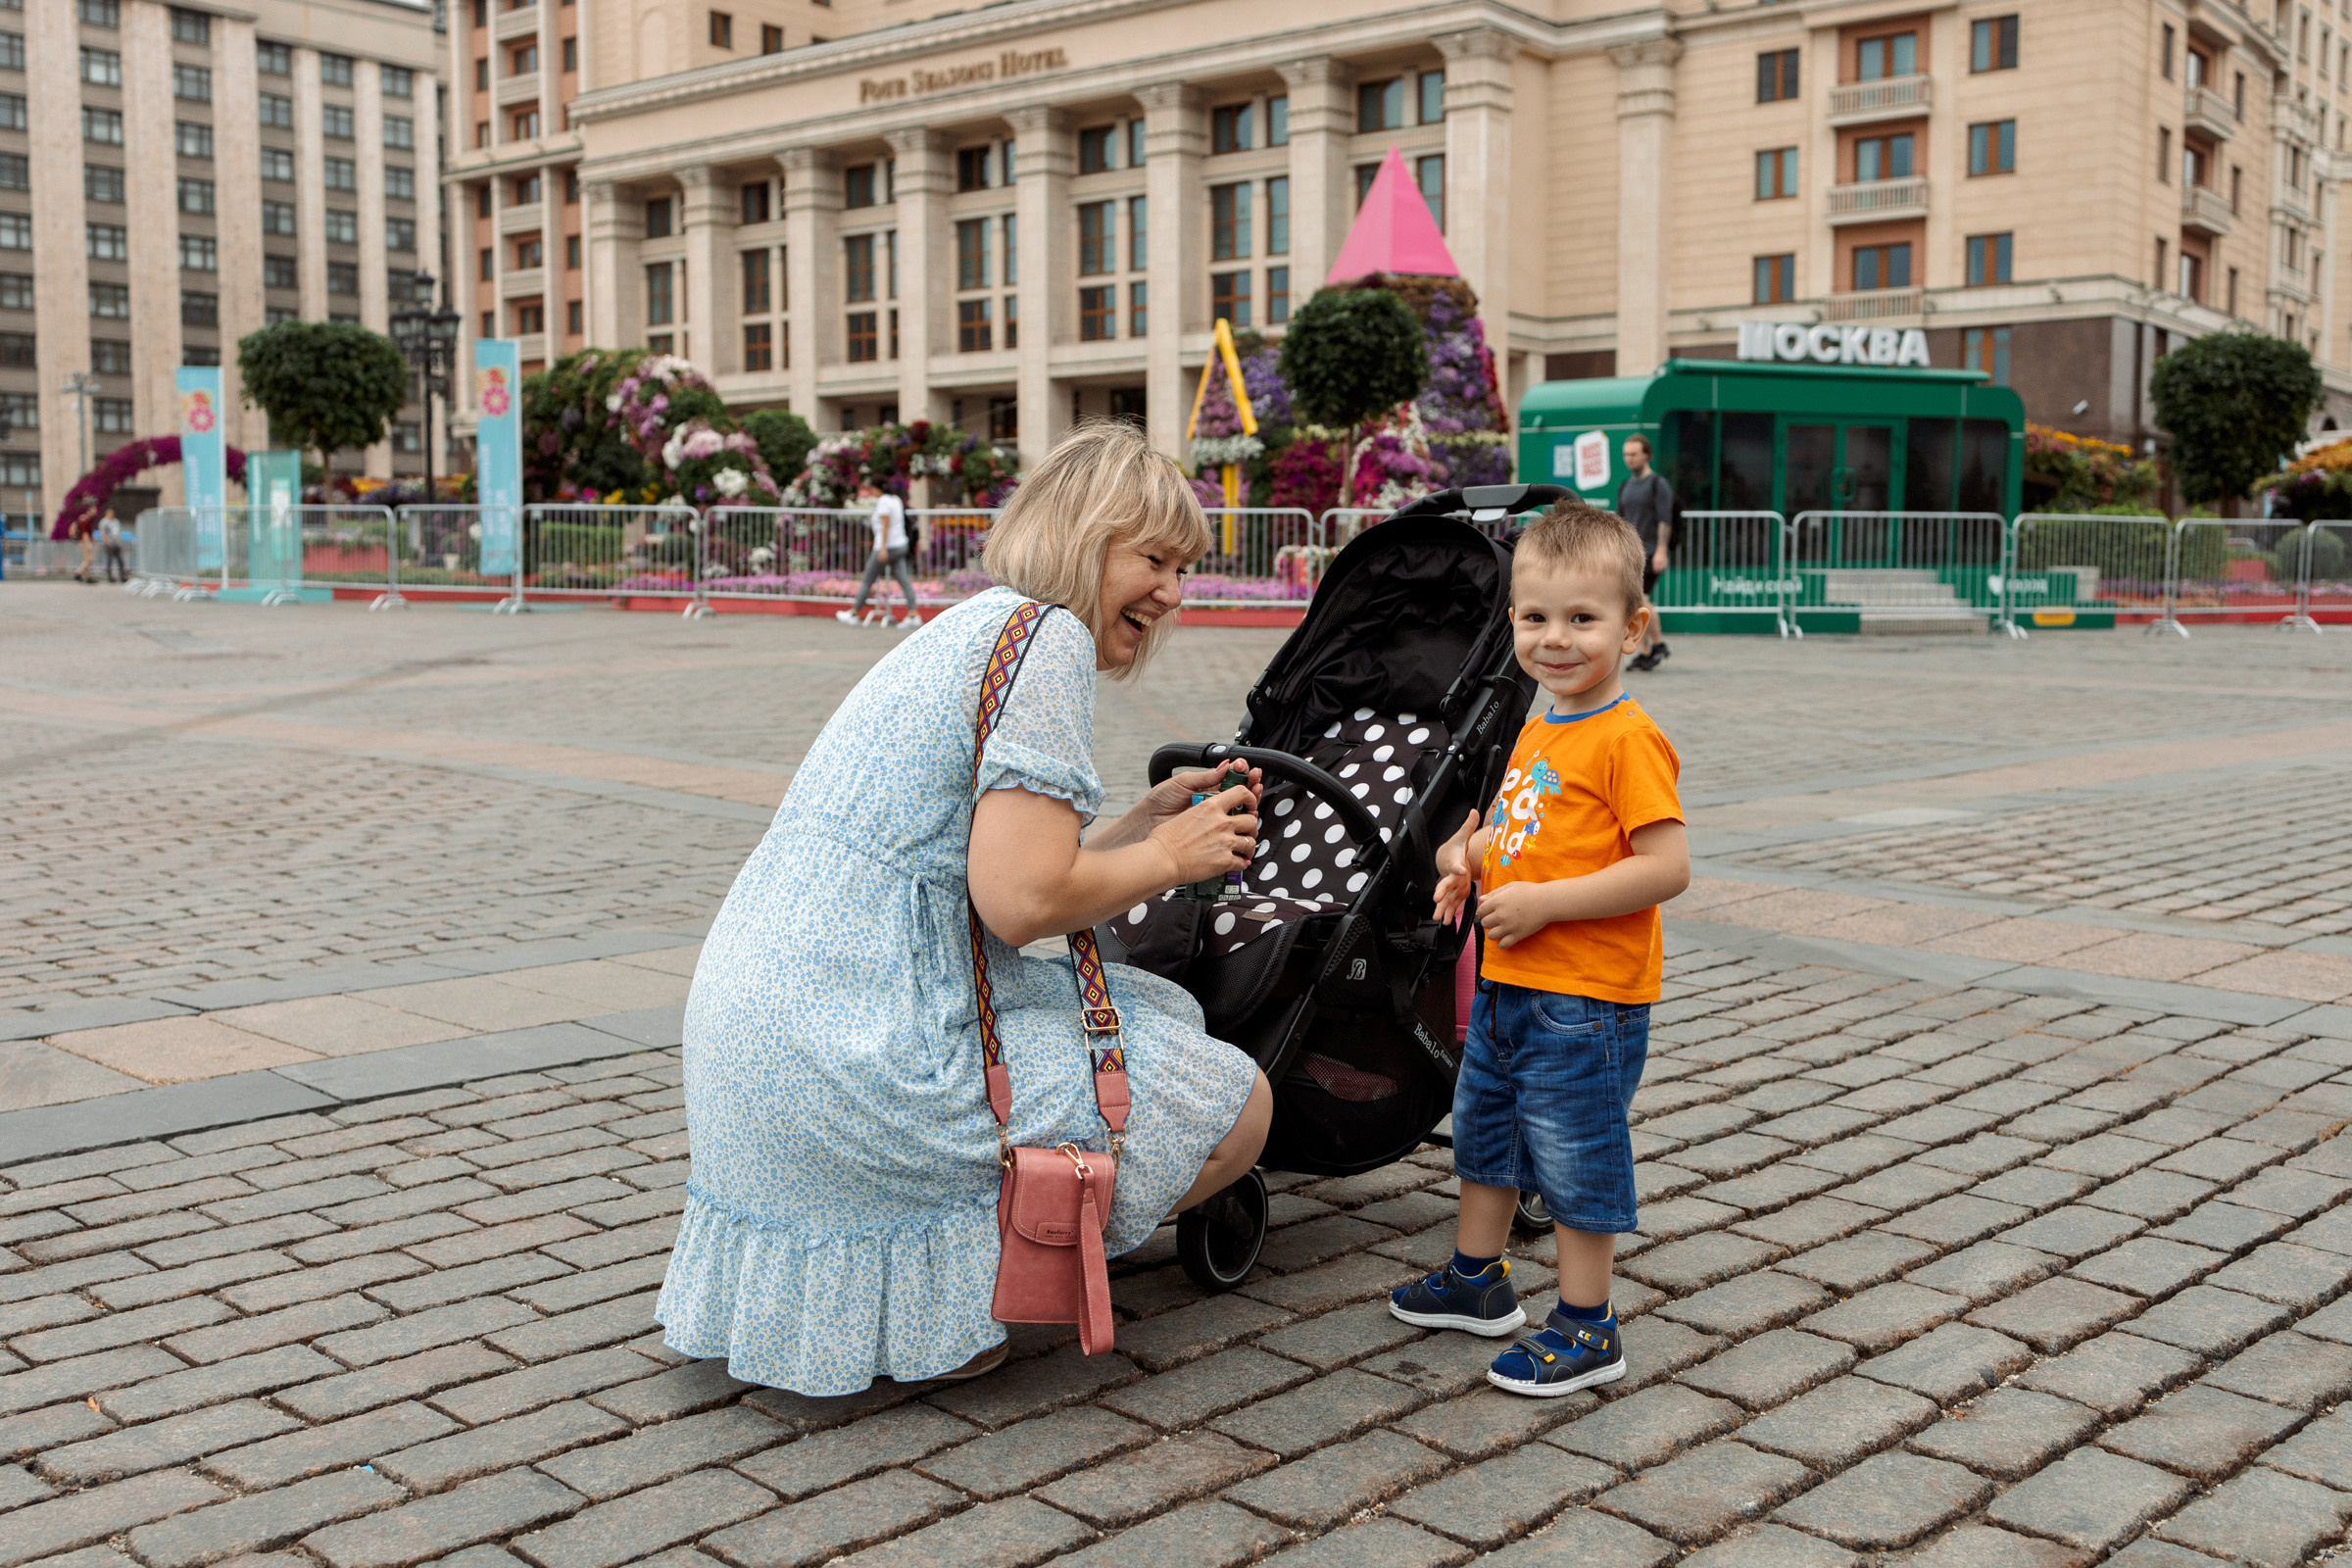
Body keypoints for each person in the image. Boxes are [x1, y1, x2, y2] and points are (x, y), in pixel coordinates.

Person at [660, 420, 1275, 1396]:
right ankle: (978, 1287)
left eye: (1185, 567)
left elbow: (990, 882)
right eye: (1154, 558)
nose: (1173, 592)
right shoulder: (1052, 640)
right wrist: (1171, 854)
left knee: (1159, 1011)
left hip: (760, 1045)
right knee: (1238, 1103)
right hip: (861, 1060)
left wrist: (1137, 825)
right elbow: (1024, 901)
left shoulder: (981, 623)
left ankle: (924, 1285)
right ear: (1086, 536)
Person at [1389, 498, 1690, 1397]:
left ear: (1634, 628)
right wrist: (1465, 858)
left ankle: (1589, 1326)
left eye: (1583, 619)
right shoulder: (1541, 725)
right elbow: (1523, 830)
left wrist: (1547, 905)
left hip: (1585, 999)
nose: (1555, 640)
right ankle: (1478, 1279)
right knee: (1485, 1135)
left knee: (1572, 1154)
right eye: (1534, 618)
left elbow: (1666, 867)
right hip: (1513, 986)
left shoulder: (1628, 737)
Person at [1614, 435, 1674, 670]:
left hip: (1649, 552)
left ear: (1646, 455)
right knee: (1634, 604)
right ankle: (1646, 652)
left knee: (1641, 600)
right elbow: (1620, 520)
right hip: (1629, 553)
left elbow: (1664, 519)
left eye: (1634, 454)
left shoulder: (1658, 484)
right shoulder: (1625, 486)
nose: (1629, 459)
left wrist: (1661, 550)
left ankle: (1658, 645)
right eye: (1626, 455)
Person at [836, 477, 920, 629]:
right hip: (900, 544)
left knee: (868, 579)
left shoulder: (883, 502)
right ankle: (913, 614)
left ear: (877, 488)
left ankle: (854, 613)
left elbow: (885, 525)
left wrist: (882, 548)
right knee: (904, 580)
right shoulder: (895, 499)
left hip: (886, 546)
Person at [98, 510, 126, 583]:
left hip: (116, 543)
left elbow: (118, 533)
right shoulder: (104, 522)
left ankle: (122, 576)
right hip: (109, 544)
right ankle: (110, 577)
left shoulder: (116, 521)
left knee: (120, 561)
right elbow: (103, 533)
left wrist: (119, 542)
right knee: (109, 560)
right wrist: (107, 542)